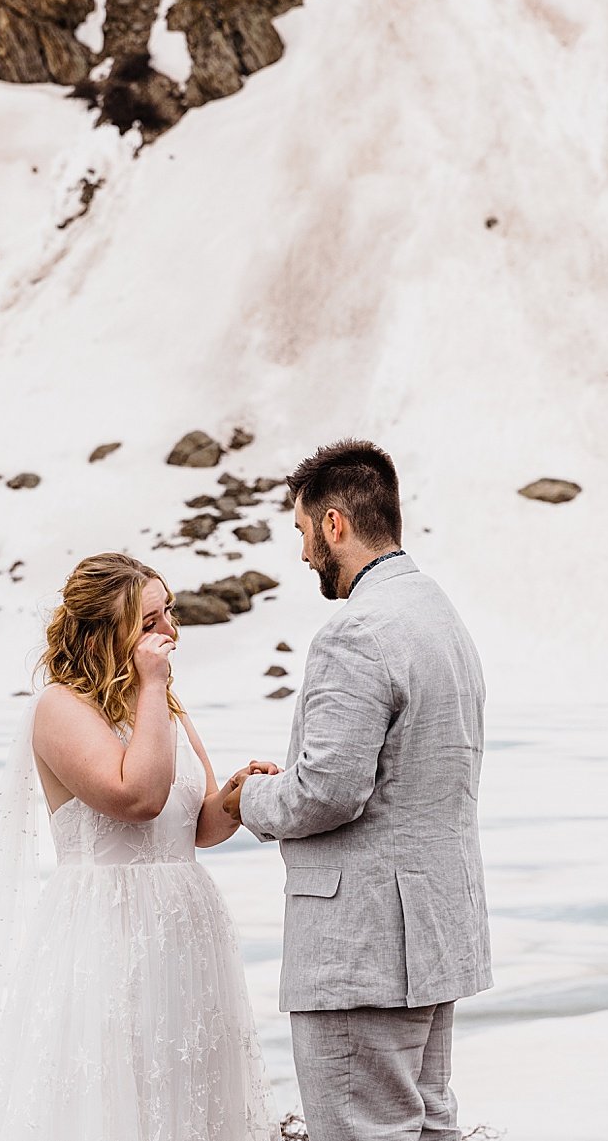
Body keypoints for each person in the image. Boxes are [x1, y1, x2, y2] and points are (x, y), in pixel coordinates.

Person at [0, 552, 279, 1141]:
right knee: (116, 1095)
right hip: (106, 933)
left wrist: (236, 798)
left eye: (169, 613)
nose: (170, 632)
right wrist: (151, 684)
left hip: (187, 929)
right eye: (149, 622)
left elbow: (191, 829)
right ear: (101, 635)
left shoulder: (163, 705)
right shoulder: (61, 710)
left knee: (189, 1091)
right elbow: (137, 798)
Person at [223, 438, 492, 1141]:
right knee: (427, 1124)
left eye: (303, 531)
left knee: (362, 1130)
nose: (304, 550)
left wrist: (246, 799)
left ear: (334, 524)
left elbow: (329, 794)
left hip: (362, 946)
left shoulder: (357, 631)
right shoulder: (440, 616)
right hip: (432, 932)